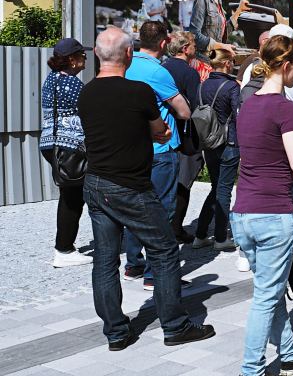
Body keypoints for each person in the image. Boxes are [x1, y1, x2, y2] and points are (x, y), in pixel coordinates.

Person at [78, 26, 215, 351]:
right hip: (131, 185)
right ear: (128, 54)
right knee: (165, 251)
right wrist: (157, 134)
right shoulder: (138, 93)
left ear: (97, 54)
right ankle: (175, 326)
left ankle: (115, 333)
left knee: (106, 260)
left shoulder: (87, 93)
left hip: (95, 184)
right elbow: (162, 132)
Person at [232, 35, 293, 376]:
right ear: (285, 66)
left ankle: (291, 353)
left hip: (242, 213)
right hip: (272, 213)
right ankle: (251, 370)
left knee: (270, 289)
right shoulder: (285, 108)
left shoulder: (247, 104)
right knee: (266, 299)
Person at [123, 21, 192, 290]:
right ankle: (155, 274)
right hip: (160, 151)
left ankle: (133, 264)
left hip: (131, 149)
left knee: (134, 207)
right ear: (164, 43)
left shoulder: (125, 66)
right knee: (162, 211)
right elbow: (184, 111)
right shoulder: (157, 72)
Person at [40, 38, 92, 268]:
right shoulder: (71, 84)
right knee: (73, 199)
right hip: (70, 148)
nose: (86, 59)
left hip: (52, 144)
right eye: (82, 55)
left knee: (70, 196)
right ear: (72, 60)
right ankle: (64, 249)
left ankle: (65, 246)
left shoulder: (52, 80)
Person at [192, 48, 241, 251]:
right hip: (228, 143)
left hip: (209, 143)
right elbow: (239, 115)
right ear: (228, 63)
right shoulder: (231, 86)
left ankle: (201, 234)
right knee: (224, 190)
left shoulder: (202, 86)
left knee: (216, 187)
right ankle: (220, 238)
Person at [162, 31, 203, 244]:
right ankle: (176, 228)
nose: (196, 49)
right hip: (185, 136)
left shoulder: (161, 69)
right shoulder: (190, 73)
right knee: (183, 183)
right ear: (185, 48)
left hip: (162, 133)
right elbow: (197, 108)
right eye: (194, 45)